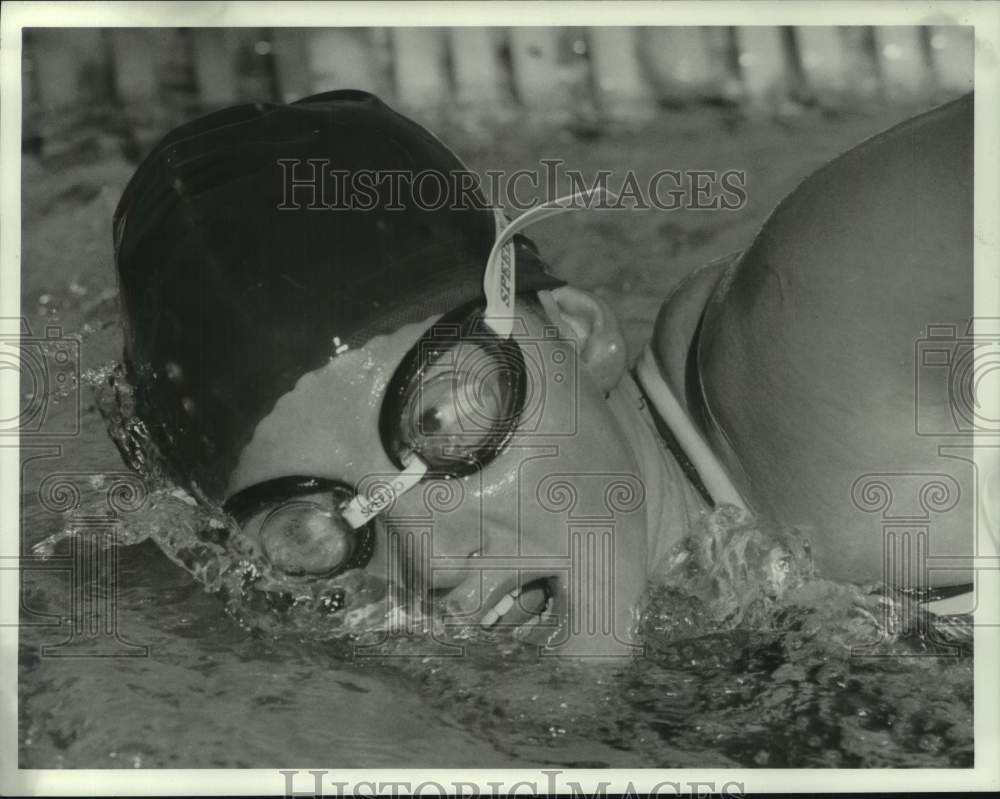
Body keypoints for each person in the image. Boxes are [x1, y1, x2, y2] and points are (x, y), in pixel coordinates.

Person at [108, 89, 978, 656]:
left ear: (580, 329)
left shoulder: (820, 336)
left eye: (444, 422)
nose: (431, 559)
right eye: (310, 533)